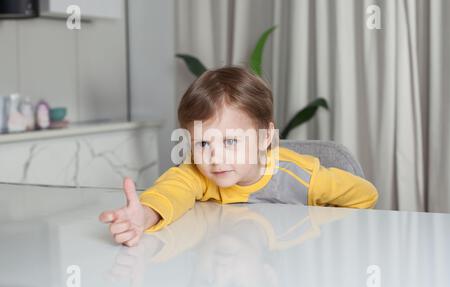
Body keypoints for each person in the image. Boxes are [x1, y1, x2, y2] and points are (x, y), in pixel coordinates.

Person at [99, 66, 378, 247]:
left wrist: (321, 226)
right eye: (203, 143)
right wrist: (146, 214)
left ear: (265, 138)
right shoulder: (198, 173)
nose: (215, 158)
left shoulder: (302, 176)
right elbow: (171, 191)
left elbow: (365, 195)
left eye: (231, 141)